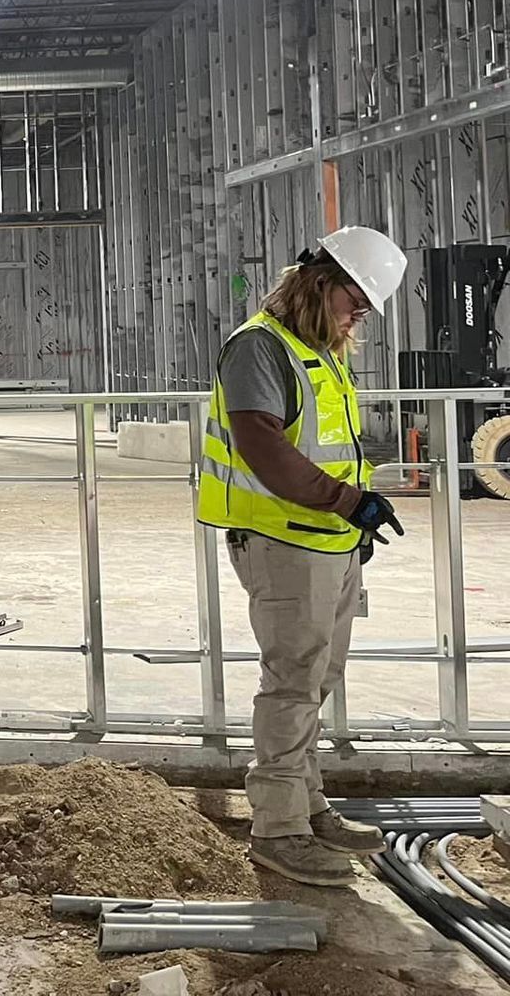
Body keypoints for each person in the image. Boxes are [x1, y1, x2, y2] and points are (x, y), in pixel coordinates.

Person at [199, 225, 408, 887]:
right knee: (292, 683)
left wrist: (353, 522)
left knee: (317, 680)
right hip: (284, 541)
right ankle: (278, 828)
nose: (359, 314)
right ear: (321, 282)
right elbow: (267, 450)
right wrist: (348, 504)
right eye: (356, 300)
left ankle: (307, 804)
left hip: (325, 540)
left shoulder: (317, 350)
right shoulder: (259, 348)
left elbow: (327, 447)